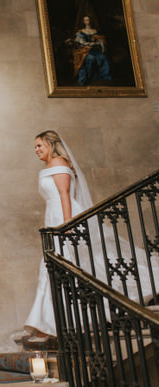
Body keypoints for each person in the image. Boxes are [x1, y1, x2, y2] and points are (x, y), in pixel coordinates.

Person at [24, 131, 157, 339]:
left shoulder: (59, 162)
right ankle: (49, 322)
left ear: (51, 145)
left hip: (63, 216)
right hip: (52, 215)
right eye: (35, 147)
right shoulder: (49, 167)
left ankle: (52, 323)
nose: (37, 150)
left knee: (66, 261)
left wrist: (68, 224)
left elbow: (64, 195)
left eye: (40, 145)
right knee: (55, 265)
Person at [70, 16, 111, 86]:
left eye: (88, 20)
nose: (87, 21)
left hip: (95, 50)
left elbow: (100, 41)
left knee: (103, 57)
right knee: (90, 58)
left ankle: (104, 78)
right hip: (85, 51)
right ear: (83, 22)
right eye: (86, 20)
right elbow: (80, 42)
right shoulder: (81, 32)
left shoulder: (95, 31)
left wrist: (98, 43)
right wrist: (89, 44)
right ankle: (89, 78)